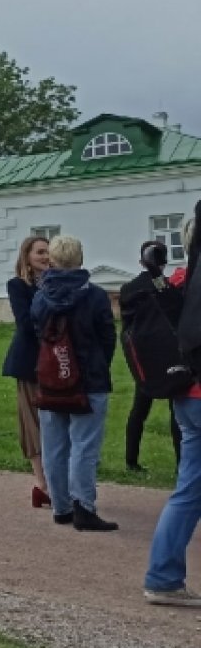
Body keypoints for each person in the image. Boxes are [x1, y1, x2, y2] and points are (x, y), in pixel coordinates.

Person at [31, 235, 118, 531]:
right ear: (80, 260)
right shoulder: (94, 296)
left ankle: (61, 507)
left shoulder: (41, 296)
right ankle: (84, 506)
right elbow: (108, 337)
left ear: (52, 261)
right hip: (89, 380)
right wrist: (98, 365)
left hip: (50, 380)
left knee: (53, 445)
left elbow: (36, 333)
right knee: (84, 445)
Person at [146, 216, 201, 605]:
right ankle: (163, 576)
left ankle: (164, 576)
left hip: (187, 388)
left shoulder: (182, 280)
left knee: (188, 490)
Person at [120, 240, 183, 472]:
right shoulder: (167, 287)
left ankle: (131, 459)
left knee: (139, 409)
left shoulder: (129, 288)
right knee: (175, 410)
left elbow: (125, 326)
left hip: (143, 354)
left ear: (141, 260)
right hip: (168, 352)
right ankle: (180, 463)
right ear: (164, 261)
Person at [2, 235, 53, 508]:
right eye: (40, 252)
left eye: (48, 252)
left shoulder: (58, 282)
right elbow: (25, 323)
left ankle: (57, 481)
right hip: (30, 361)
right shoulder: (18, 286)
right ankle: (42, 483)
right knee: (32, 422)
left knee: (57, 420)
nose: (45, 257)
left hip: (57, 362)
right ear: (27, 257)